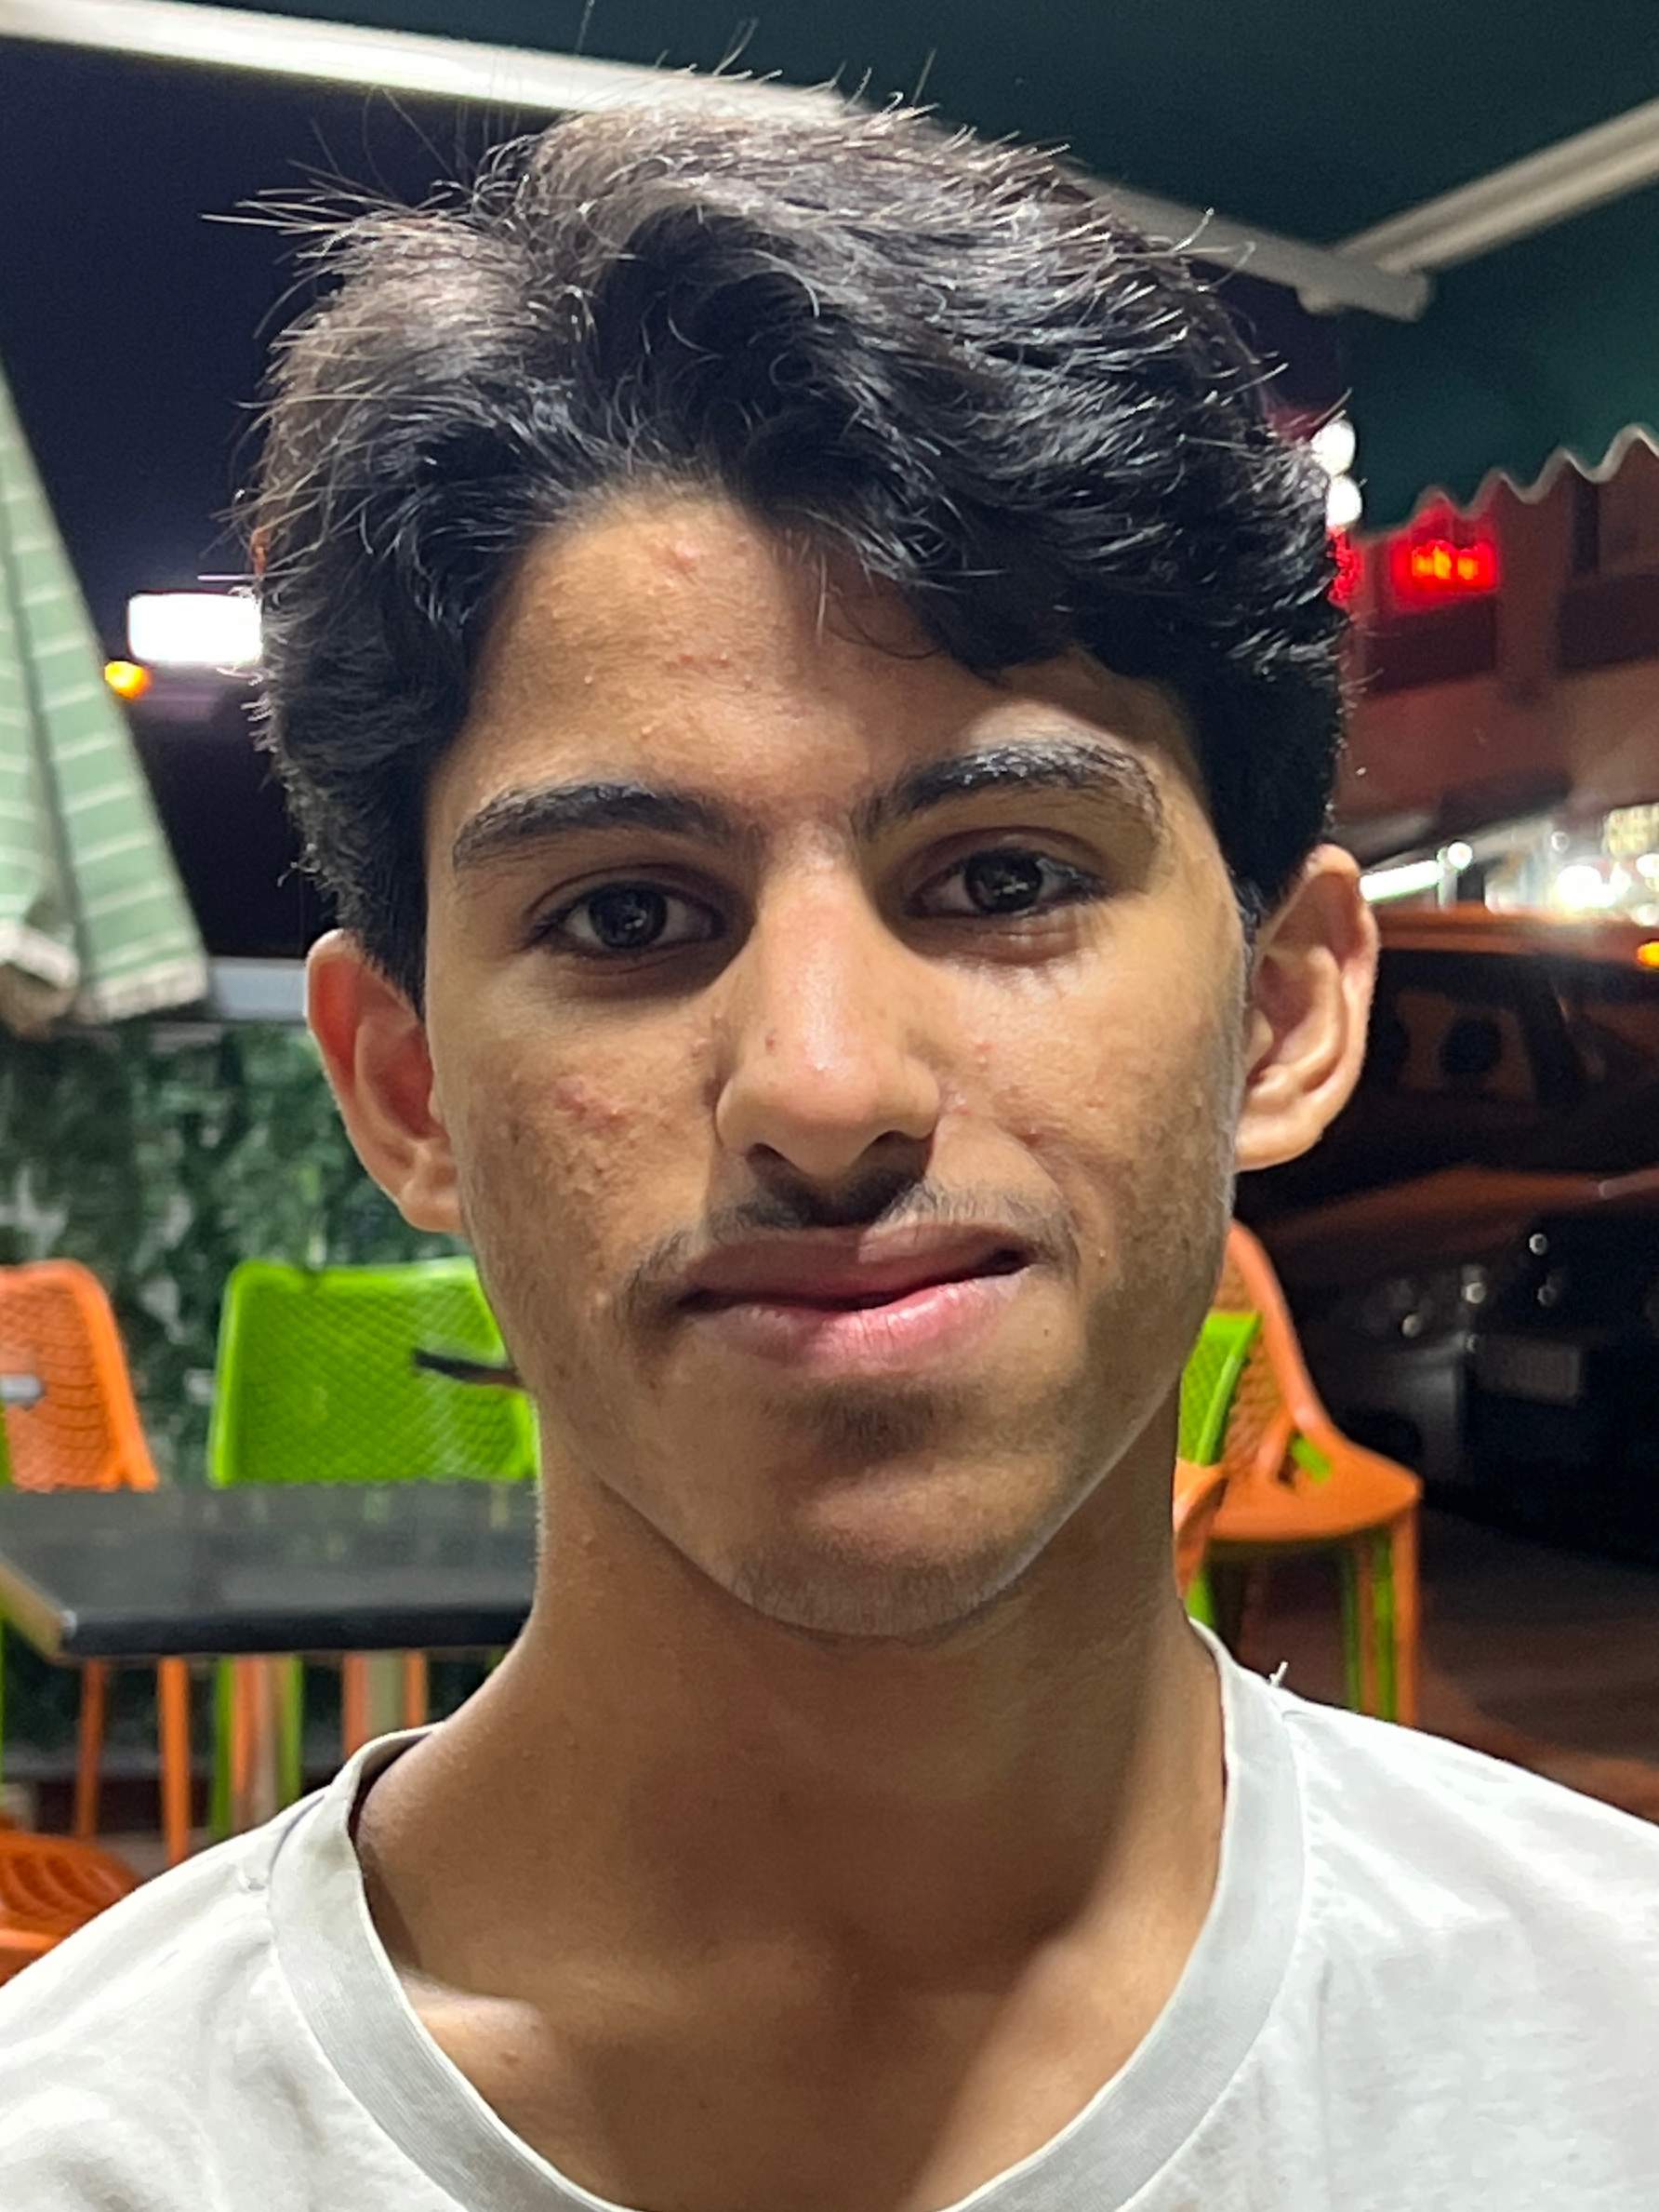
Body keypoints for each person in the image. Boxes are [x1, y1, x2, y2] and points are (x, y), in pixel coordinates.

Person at [3, 98, 1656, 2212]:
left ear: (1282, 1006)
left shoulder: (1610, 2052)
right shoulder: (86, 2151)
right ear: (405, 1087)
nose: (820, 1081)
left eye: (1002, 876)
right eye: (626, 911)